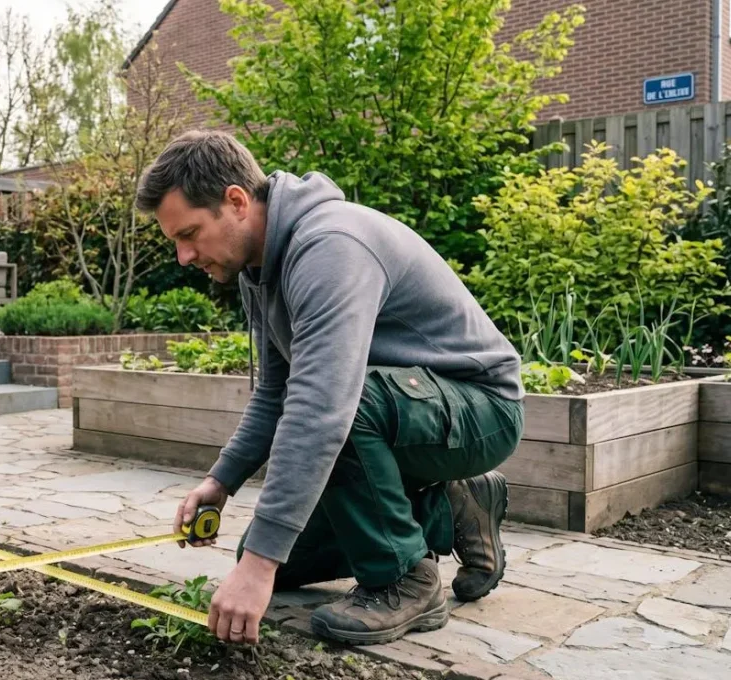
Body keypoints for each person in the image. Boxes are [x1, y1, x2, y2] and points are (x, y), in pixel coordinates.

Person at [135, 130, 525, 647]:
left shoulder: (330, 246)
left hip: (482, 409)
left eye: (189, 233)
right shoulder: (260, 269)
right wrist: (221, 481)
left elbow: (320, 407)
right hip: (406, 411)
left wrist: (258, 569)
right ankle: (451, 507)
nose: (184, 256)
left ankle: (405, 579)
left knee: (337, 411)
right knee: (275, 557)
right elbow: (276, 394)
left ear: (235, 201)